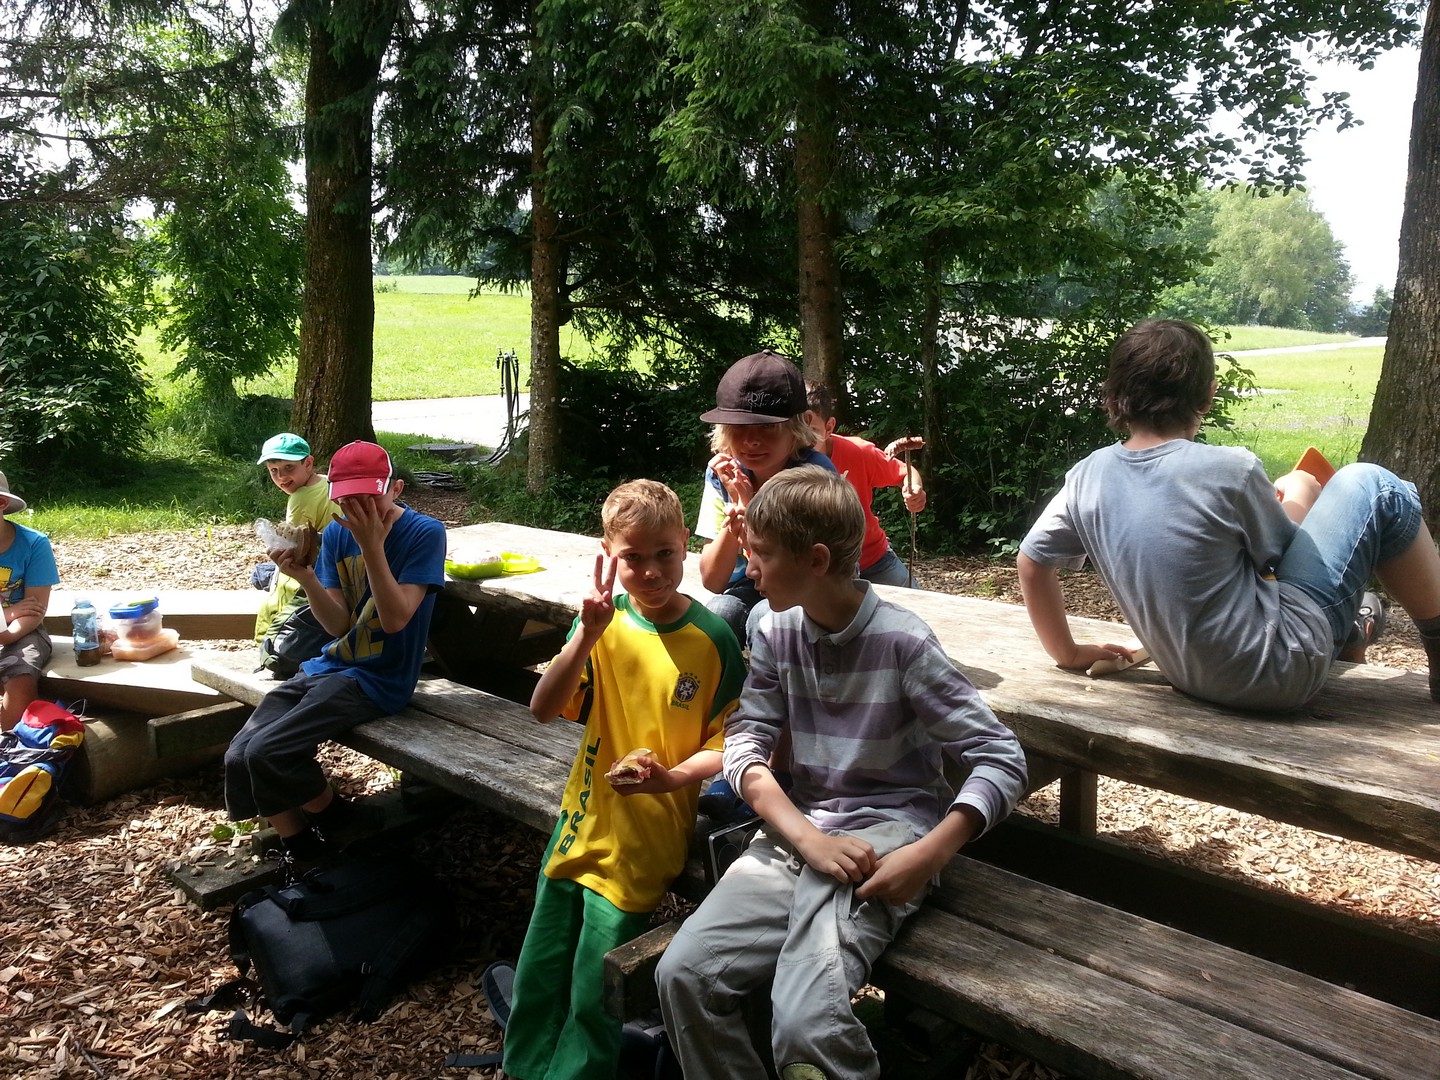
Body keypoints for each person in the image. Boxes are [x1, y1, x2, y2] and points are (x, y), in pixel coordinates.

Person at [656, 466, 1027, 1080]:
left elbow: (1000, 756)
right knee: (684, 974)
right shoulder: (772, 627)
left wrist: (930, 855)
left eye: (762, 553)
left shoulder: (903, 644)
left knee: (806, 1021)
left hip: (886, 837)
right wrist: (806, 838)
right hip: (803, 831)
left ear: (817, 560)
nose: (749, 568)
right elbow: (746, 741)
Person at [1017, 318, 1440, 710]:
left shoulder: (1088, 476)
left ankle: (1351, 630)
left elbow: (1031, 562)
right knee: (1374, 484)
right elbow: (1282, 557)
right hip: (1277, 672)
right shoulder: (1229, 469)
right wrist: (1300, 492)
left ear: (1112, 394)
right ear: (1208, 394)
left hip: (1187, 674)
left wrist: (1068, 652)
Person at [502, 479, 745, 1080]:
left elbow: (731, 743)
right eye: (633, 557)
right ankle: (524, 1067)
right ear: (608, 553)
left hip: (647, 838)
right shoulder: (601, 623)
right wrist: (586, 633)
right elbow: (543, 708)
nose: (652, 570)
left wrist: (673, 778)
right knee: (541, 966)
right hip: (581, 817)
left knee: (595, 991)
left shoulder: (714, 640)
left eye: (665, 553)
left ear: (686, 543)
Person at [223, 440, 447, 866]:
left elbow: (395, 620)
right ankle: (302, 849)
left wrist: (372, 547)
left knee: (268, 751)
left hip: (379, 678)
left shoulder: (424, 533)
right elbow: (338, 625)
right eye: (347, 501)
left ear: (396, 489)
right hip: (329, 665)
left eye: (369, 498)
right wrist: (306, 578)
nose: (358, 511)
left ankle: (340, 823)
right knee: (240, 754)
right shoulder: (338, 534)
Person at [695, 350, 836, 645]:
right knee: (719, 615)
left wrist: (747, 506)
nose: (751, 441)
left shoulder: (814, 477)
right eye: (739, 427)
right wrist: (737, 510)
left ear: (799, 425)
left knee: (767, 619)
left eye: (768, 427)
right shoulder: (723, 474)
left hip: (809, 587)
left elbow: (800, 570)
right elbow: (713, 580)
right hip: (750, 584)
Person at [805, 381, 926, 587]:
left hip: (873, 558)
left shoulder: (857, 452)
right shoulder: (781, 461)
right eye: (797, 430)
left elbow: (905, 473)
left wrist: (914, 490)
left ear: (829, 427)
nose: (804, 439)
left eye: (812, 430)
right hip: (819, 568)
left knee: (916, 601)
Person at [252, 432, 342, 646]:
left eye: (288, 468)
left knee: (270, 577)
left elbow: (295, 549)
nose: (281, 477)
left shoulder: (301, 497)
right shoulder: (326, 483)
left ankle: (267, 639)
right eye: (274, 471)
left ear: (308, 463)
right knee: (260, 573)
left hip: (320, 571)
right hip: (341, 562)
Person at [0, 472, 57, 731]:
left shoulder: (33, 543)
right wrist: (9, 612)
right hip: (10, 619)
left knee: (20, 675)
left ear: (2, 503)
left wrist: (7, 634)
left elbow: (35, 609)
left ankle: (10, 739)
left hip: (23, 632)